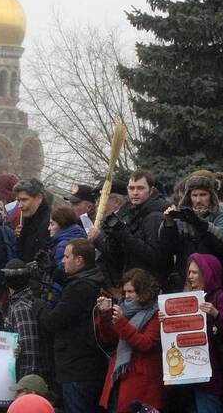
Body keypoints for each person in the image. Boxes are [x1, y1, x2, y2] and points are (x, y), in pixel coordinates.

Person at [39, 238, 107, 413]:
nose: (63, 260)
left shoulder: (80, 289)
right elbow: (75, 282)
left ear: (79, 261)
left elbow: (53, 321)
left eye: (66, 257)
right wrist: (54, 271)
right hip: (85, 367)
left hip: (77, 370)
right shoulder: (93, 280)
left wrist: (38, 306)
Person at [95, 268, 164, 413]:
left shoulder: (156, 312)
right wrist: (105, 315)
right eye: (124, 292)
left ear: (143, 291)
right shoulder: (122, 309)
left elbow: (146, 343)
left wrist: (121, 322)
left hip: (142, 381)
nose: (126, 296)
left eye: (131, 292)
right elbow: (109, 338)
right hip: (119, 377)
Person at [182, 253, 223, 413]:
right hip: (189, 373)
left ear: (207, 273)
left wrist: (216, 314)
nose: (190, 276)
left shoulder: (221, 298)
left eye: (195, 272)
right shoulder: (188, 298)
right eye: (189, 272)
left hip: (212, 375)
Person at [162, 174, 223, 288]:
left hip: (215, 281)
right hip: (186, 280)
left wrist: (199, 223)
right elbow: (168, 248)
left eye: (203, 195)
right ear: (189, 197)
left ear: (211, 196)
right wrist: (169, 224)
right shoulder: (181, 218)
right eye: (194, 195)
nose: (198, 199)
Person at [95, 171, 170, 285]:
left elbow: (155, 256)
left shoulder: (155, 216)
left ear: (151, 190)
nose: (135, 193)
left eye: (140, 188)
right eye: (131, 188)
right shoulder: (128, 212)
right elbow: (118, 256)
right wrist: (111, 236)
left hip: (149, 284)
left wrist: (125, 236)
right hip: (131, 282)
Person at [3, 260, 50, 381]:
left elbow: (30, 351)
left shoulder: (21, 307)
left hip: (28, 381)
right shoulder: (20, 303)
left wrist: (26, 385)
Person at [12, 178, 53, 263]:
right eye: (18, 200)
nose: (19, 205)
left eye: (24, 200)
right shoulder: (28, 221)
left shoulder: (49, 225)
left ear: (39, 198)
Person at [46, 205, 87, 269]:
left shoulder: (63, 245)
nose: (49, 228)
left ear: (62, 225)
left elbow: (59, 271)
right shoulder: (80, 236)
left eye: (52, 224)